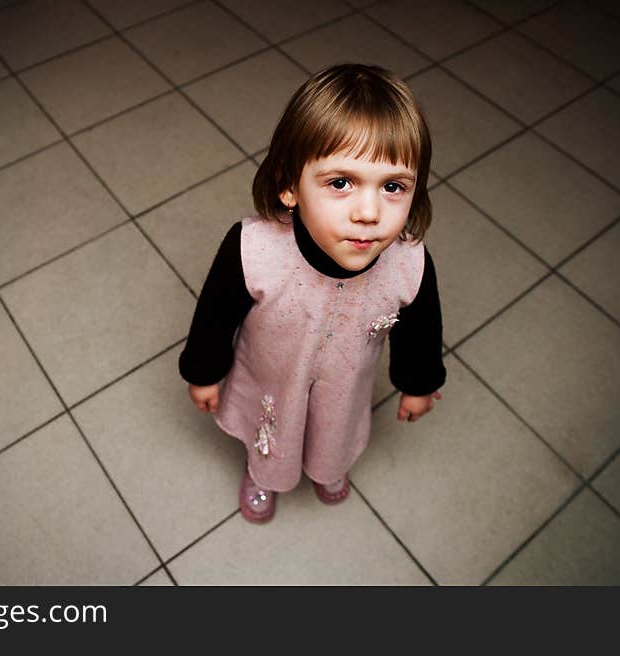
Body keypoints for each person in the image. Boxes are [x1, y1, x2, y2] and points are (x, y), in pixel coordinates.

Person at [179, 64, 446, 523]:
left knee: (333, 433)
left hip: (344, 386)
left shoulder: (410, 266)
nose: (369, 212)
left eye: (393, 187)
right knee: (274, 434)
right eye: (340, 183)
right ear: (289, 184)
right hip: (272, 383)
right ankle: (265, 475)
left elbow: (420, 334)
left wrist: (418, 386)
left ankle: (329, 467)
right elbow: (214, 317)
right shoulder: (253, 249)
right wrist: (204, 372)